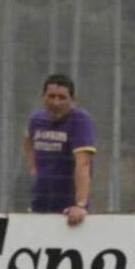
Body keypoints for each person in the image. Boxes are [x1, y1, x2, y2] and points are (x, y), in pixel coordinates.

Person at [23, 73, 95, 226]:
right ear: (43, 97)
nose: (56, 102)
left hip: (69, 209)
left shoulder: (80, 120)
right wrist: (33, 169)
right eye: (51, 96)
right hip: (40, 201)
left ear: (73, 100)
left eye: (62, 97)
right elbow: (27, 139)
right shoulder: (36, 119)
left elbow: (83, 163)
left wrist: (80, 205)